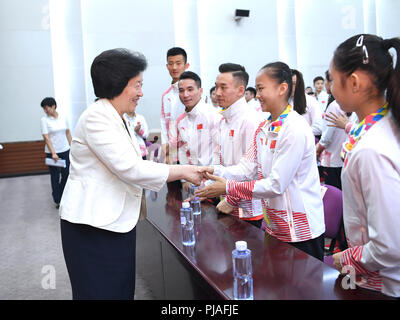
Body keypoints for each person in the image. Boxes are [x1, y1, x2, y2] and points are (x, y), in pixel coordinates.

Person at [59, 48, 203, 300]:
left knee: (120, 288)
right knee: (99, 292)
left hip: (114, 221)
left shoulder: (117, 117)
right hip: (93, 226)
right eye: (137, 85)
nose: (141, 92)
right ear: (118, 83)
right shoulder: (97, 118)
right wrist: (185, 171)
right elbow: (130, 167)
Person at [196, 62, 326, 261]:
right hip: (275, 225)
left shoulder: (294, 128)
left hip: (300, 230)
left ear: (282, 89)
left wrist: (228, 188)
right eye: (257, 89)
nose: (257, 95)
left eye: (261, 89)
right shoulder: (265, 127)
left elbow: (276, 184)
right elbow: (247, 168)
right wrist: (212, 171)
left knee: (301, 290)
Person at [330, 34, 400, 298]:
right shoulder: (381, 127)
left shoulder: (372, 150)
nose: (331, 89)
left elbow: (389, 246)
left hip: (382, 283)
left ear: (355, 83)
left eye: (333, 80)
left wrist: (347, 258)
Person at [212, 63, 265, 227]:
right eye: (216, 87)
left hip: (246, 208)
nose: (217, 93)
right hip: (225, 200)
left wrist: (231, 199)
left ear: (241, 90)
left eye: (223, 87)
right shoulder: (223, 120)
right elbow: (219, 161)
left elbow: (252, 170)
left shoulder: (251, 120)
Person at [176, 71, 222, 191]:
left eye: (190, 89)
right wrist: (184, 179)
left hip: (213, 183)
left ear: (200, 91)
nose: (185, 94)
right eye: (181, 90)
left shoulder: (212, 115)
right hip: (192, 183)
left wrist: (211, 182)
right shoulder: (182, 121)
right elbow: (182, 150)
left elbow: (221, 150)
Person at [315, 70, 348, 190]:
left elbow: (327, 136)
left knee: (335, 192)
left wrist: (317, 149)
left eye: (325, 81)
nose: (324, 85)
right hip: (342, 157)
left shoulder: (334, 105)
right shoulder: (343, 103)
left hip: (332, 158)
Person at [40, 97, 72, 208]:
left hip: (65, 150)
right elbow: (46, 137)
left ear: (53, 106)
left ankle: (62, 194)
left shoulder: (63, 117)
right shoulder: (44, 120)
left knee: (67, 174)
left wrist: (71, 147)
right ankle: (58, 199)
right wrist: (53, 153)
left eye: (46, 108)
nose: (45, 110)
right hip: (52, 153)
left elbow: (67, 132)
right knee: (54, 176)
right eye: (44, 109)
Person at [160, 47, 189, 164]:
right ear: (167, 66)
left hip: (190, 155)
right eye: (171, 64)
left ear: (186, 65)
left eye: (178, 63)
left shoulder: (192, 93)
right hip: (172, 156)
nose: (174, 67)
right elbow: (163, 125)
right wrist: (166, 154)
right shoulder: (165, 95)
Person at [291, 69, 323, 136]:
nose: (290, 87)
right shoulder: (283, 101)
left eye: (294, 84)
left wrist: (296, 134)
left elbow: (318, 128)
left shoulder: (311, 101)